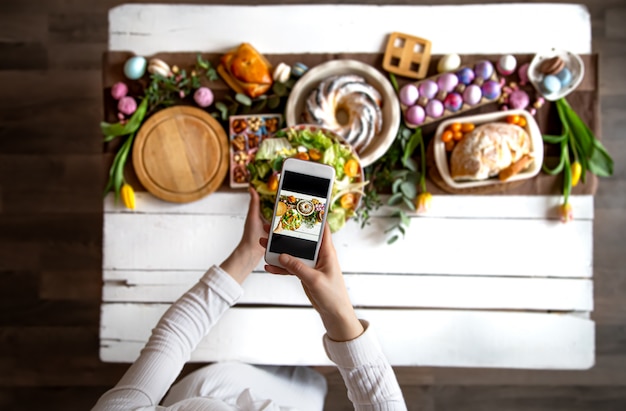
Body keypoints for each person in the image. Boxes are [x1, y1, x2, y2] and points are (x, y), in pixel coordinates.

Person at [92, 189, 407, 410]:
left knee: (280, 379)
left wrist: (247, 253)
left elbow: (170, 341)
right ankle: (311, 373)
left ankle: (308, 372)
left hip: (212, 389)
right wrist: (340, 313)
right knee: (311, 387)